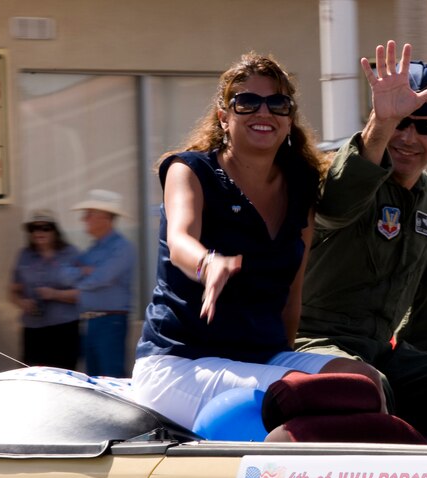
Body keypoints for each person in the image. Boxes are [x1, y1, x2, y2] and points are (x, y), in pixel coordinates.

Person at [131, 52, 384, 432]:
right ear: (224, 117)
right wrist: (208, 263)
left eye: (277, 103)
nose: (263, 113)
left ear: (289, 118)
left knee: (364, 382)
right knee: (305, 396)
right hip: (179, 364)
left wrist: (386, 121)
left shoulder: (299, 185)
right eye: (247, 102)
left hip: (262, 359)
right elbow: (180, 238)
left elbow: (292, 294)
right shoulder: (189, 169)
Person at [295, 41, 427, 442]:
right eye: (400, 122)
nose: (408, 136)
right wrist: (381, 124)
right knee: (366, 386)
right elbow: (335, 206)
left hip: (378, 350)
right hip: (315, 344)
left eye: (424, 126)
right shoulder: (351, 172)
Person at [57, 189, 137, 378]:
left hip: (111, 321)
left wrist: (84, 275)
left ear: (105, 219)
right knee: (94, 377)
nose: (84, 219)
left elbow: (101, 278)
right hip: (92, 321)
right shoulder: (94, 249)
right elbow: (65, 274)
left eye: (90, 214)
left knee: (111, 376)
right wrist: (85, 272)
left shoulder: (123, 247)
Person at [9, 210, 81, 369]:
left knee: (63, 378)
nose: (39, 232)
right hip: (33, 329)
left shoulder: (71, 254)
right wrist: (22, 302)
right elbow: (13, 290)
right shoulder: (24, 255)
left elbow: (83, 293)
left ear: (55, 231)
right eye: (33, 228)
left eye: (45, 228)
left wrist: (55, 294)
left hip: (63, 328)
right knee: (33, 379)